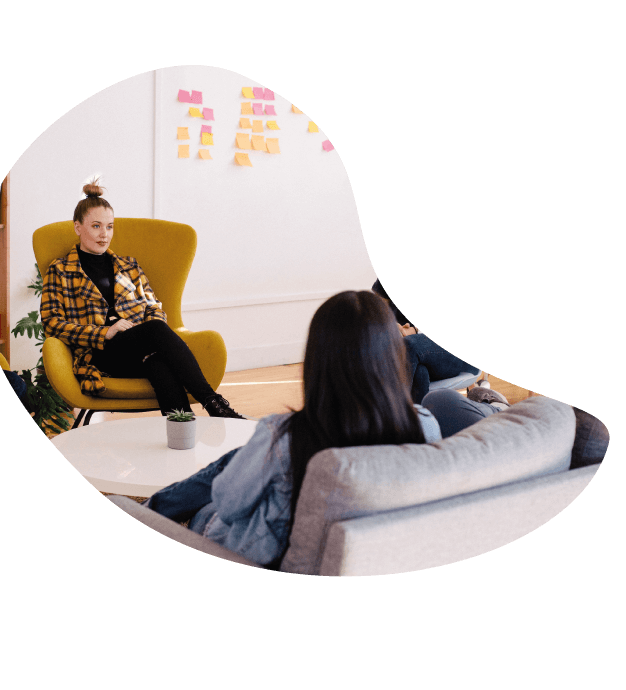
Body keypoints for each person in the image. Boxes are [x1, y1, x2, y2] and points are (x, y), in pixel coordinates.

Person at [144, 290, 443, 569]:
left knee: (214, 498)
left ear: (317, 359)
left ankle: (147, 512)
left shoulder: (286, 435)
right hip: (369, 558)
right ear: (393, 356)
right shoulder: (424, 425)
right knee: (244, 458)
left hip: (266, 556)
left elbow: (228, 504)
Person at [40, 177, 245, 420]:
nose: (104, 234)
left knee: (158, 363)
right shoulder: (60, 270)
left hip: (139, 346)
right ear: (78, 228)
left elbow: (153, 306)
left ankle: (184, 429)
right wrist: (105, 332)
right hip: (99, 353)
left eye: (109, 226)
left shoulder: (129, 266)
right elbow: (52, 323)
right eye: (96, 226)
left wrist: (142, 335)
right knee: (156, 330)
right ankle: (214, 403)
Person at [372, 279, 481, 404]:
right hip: (409, 351)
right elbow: (378, 308)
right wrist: (391, 326)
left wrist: (415, 330)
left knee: (409, 346)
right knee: (419, 372)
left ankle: (389, 411)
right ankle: (417, 415)